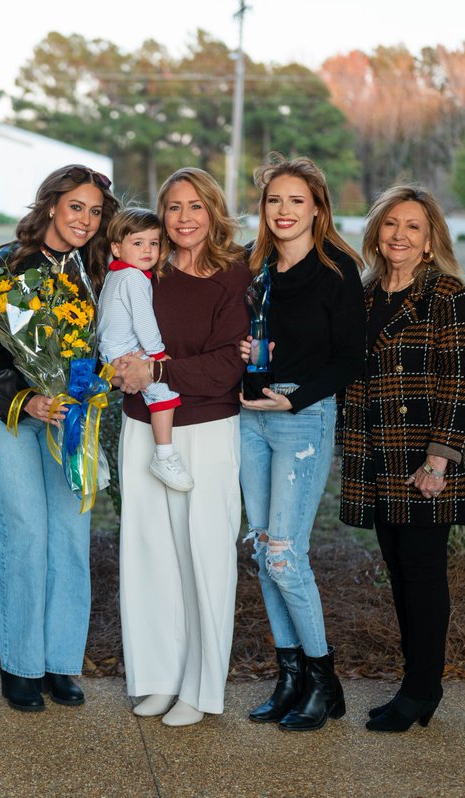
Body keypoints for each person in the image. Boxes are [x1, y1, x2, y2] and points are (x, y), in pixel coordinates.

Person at [0, 164, 119, 712]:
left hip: (72, 420)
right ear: (52, 206)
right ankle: (20, 665)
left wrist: (96, 381)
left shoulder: (97, 271)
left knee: (69, 538)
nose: (85, 219)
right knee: (24, 538)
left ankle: (61, 663)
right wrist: (27, 397)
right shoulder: (7, 265)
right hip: (13, 415)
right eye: (76, 207)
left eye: (95, 211)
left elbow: (106, 339)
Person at [112, 168, 251, 727]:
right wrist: (123, 369)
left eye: (195, 206)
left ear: (213, 212)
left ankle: (200, 687)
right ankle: (158, 679)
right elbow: (119, 336)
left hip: (207, 429)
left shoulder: (234, 276)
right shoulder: (147, 271)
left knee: (205, 558)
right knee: (148, 557)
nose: (184, 218)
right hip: (142, 424)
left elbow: (226, 366)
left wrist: (155, 369)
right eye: (173, 207)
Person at [338, 184, 465, 733]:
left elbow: (461, 383)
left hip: (423, 462)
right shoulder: (365, 293)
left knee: (422, 574)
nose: (399, 234)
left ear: (429, 241)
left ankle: (422, 690)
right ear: (377, 232)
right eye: (391, 223)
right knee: (399, 573)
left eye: (413, 227)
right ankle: (416, 683)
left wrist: (439, 461)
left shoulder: (445, 293)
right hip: (375, 456)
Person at [236, 156, 365, 731]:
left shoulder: (337, 271)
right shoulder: (255, 268)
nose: (283, 211)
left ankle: (324, 680)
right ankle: (289, 678)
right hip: (250, 419)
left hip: (302, 419)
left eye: (295, 200)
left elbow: (350, 359)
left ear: (317, 206)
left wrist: (295, 398)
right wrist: (242, 353)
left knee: (287, 552)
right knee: (264, 553)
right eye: (273, 201)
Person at [97, 208, 192, 492]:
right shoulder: (134, 278)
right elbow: (144, 320)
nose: (148, 250)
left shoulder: (115, 275)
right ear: (116, 248)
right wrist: (158, 354)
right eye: (138, 243)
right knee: (164, 390)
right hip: (125, 349)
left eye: (154, 243)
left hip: (110, 348)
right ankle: (164, 455)